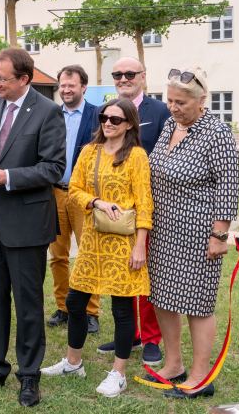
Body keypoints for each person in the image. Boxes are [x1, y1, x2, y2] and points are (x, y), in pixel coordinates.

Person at [0, 48, 65, 408]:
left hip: (27, 225)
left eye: (1, 78)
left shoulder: (48, 112)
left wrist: (7, 177)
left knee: (28, 304)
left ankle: (29, 376)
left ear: (24, 79)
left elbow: (53, 168)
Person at [41, 99, 153, 398]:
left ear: (129, 124)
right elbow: (74, 190)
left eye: (116, 120)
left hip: (122, 242)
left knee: (121, 307)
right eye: (105, 117)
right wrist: (96, 202)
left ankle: (118, 372)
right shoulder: (89, 152)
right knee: (76, 302)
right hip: (92, 239)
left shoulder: (137, 157)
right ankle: (73, 362)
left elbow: (144, 203)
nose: (108, 123)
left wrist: (140, 245)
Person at [149, 67, 239, 399]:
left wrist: (219, 235)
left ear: (202, 100)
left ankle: (201, 376)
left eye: (181, 102)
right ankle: (173, 365)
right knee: (163, 298)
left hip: (198, 232)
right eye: (169, 100)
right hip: (162, 230)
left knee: (197, 304)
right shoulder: (170, 125)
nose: (173, 107)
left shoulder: (217, 132)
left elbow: (228, 186)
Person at [96, 56, 171, 365]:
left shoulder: (161, 111)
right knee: (121, 272)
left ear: (143, 76)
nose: (123, 78)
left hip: (147, 206)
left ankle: (151, 337)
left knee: (145, 272)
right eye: (117, 74)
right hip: (113, 210)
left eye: (129, 73)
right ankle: (130, 333)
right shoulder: (109, 110)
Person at [48, 66, 101, 333]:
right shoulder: (50, 114)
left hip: (84, 196)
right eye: (63, 85)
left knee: (87, 254)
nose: (66, 90)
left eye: (72, 85)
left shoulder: (98, 116)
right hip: (54, 193)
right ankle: (63, 307)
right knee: (57, 256)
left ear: (84, 87)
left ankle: (91, 311)